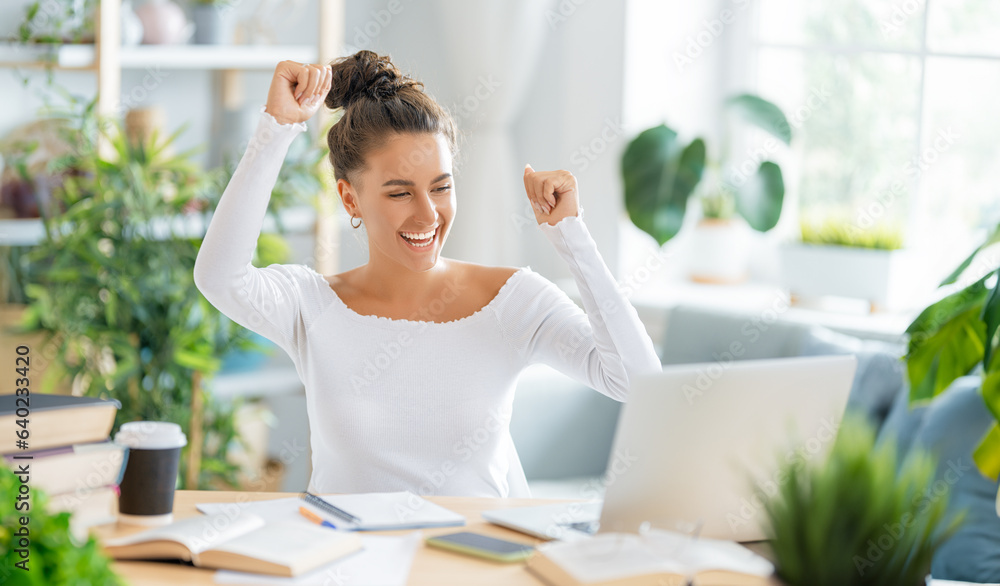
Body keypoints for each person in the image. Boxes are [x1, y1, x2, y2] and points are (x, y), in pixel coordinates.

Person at [194, 50, 661, 498]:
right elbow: (220, 277)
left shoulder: (513, 299)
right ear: (350, 198)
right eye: (399, 193)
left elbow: (637, 380)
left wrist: (572, 238)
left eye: (441, 187)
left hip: (476, 562)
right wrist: (277, 129)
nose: (427, 215)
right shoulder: (310, 305)